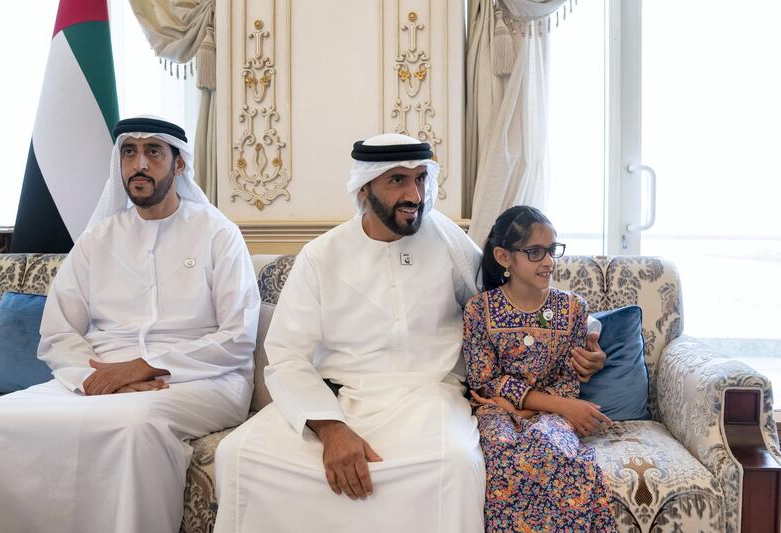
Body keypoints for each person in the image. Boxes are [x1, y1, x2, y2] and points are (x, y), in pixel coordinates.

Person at [213, 134, 607, 532]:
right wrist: (331, 430)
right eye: (397, 180)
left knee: (455, 461)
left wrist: (584, 333)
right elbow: (285, 355)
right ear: (364, 188)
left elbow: (502, 294)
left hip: (429, 394)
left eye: (420, 178)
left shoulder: (442, 235)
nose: (414, 193)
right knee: (237, 454)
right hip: (345, 398)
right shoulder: (322, 255)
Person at [0, 116, 260, 533]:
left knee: (134, 428)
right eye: (129, 152)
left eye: (153, 152)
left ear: (179, 164)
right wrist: (99, 379)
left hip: (204, 377)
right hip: (101, 376)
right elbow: (58, 333)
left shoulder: (218, 234)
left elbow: (237, 338)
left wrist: (144, 366)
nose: (139, 164)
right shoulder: (98, 239)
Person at [462, 205, 616, 532]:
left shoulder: (573, 308)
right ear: (504, 257)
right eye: (535, 252)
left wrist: (530, 409)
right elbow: (483, 380)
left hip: (551, 415)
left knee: (555, 450)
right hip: (495, 412)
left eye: (551, 250)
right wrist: (514, 409)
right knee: (502, 454)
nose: (548, 261)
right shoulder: (480, 310)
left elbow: (568, 380)